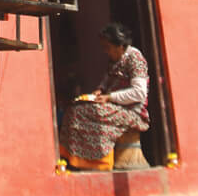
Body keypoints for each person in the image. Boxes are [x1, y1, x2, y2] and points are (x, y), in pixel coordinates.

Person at [59, 22, 150, 169]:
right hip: (113, 105)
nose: (106, 51)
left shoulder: (135, 59)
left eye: (108, 47)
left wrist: (110, 97)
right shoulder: (114, 60)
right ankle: (73, 159)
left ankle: (98, 162)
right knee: (74, 108)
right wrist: (100, 90)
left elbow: (139, 93)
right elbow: (106, 81)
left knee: (81, 113)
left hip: (132, 112)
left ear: (120, 46)